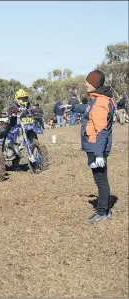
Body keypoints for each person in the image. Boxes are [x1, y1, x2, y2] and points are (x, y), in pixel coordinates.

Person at [61, 70, 114, 223]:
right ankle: (104, 210)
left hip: (96, 147)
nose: (85, 84)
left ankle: (103, 212)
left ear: (95, 84)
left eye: (88, 82)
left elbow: (102, 131)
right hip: (94, 146)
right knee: (100, 179)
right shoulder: (96, 100)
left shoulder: (101, 103)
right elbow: (87, 109)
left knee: (101, 180)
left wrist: (98, 155)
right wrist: (72, 107)